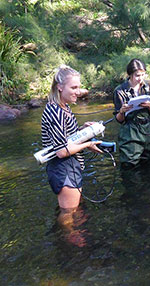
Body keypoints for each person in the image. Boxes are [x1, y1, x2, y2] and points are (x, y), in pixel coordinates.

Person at [41, 65, 102, 218]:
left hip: (70, 166)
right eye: (73, 87)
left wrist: (83, 129)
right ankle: (64, 241)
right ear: (60, 87)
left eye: (79, 87)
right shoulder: (56, 112)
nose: (78, 92)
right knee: (68, 216)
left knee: (75, 213)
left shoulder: (63, 107)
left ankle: (72, 238)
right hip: (63, 168)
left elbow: (64, 137)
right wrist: (88, 144)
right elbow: (61, 151)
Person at [113, 58, 150, 168]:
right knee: (129, 165)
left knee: (149, 163)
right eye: (137, 75)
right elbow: (119, 120)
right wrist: (122, 111)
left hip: (147, 130)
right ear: (130, 75)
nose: (141, 79)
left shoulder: (149, 85)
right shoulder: (120, 91)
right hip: (130, 131)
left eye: (143, 75)